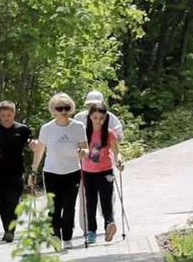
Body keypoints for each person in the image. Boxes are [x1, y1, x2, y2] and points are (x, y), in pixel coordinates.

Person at [28, 93, 88, 250]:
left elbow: (85, 148)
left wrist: (83, 152)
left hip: (73, 171)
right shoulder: (47, 129)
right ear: (53, 110)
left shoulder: (78, 127)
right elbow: (40, 150)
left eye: (66, 108)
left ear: (71, 109)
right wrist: (33, 170)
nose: (63, 111)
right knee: (54, 206)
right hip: (52, 173)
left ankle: (67, 237)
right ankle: (55, 236)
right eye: (59, 108)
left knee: (69, 206)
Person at [74, 90, 123, 233]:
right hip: (85, 167)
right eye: (90, 104)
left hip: (104, 165)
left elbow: (118, 136)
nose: (92, 106)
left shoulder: (110, 117)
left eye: (96, 104)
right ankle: (88, 229)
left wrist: (108, 137)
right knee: (87, 200)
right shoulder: (79, 117)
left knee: (107, 197)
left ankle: (108, 222)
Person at [0, 100, 32, 243]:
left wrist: (34, 146)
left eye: (9, 114)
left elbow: (31, 144)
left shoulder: (23, 129)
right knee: (2, 202)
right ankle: (7, 228)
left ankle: (10, 230)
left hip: (17, 171)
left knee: (13, 201)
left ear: (14, 114)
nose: (6, 118)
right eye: (3, 115)